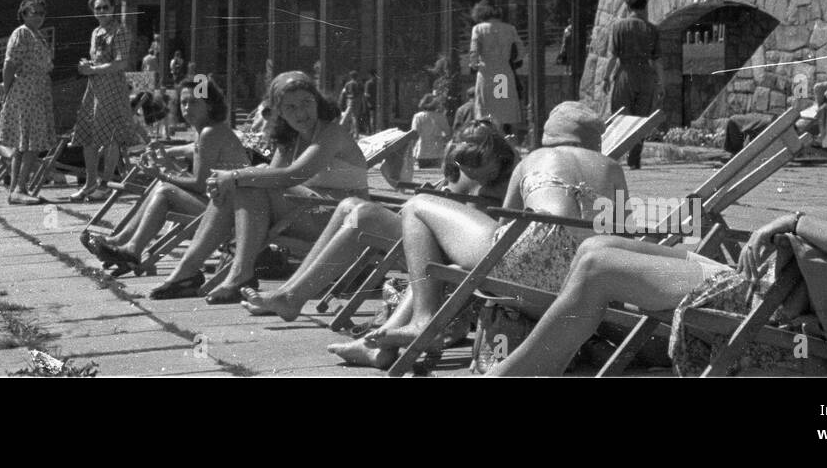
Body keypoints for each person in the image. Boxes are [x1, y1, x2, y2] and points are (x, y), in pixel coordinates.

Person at [488, 98, 827, 376]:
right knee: (596, 247)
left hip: (781, 309)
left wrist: (796, 220)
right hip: (770, 291)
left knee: (601, 265)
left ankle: (513, 376)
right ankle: (527, 371)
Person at [358, 102, 628, 365]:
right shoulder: (611, 168)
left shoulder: (535, 159)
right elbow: (619, 232)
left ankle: (422, 321)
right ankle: (387, 344)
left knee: (418, 206)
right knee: (450, 255)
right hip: (583, 285)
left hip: (523, 271)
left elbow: (504, 224)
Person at [240, 119, 517, 322]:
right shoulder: (464, 166)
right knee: (349, 205)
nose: (472, 173)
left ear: (496, 156)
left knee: (365, 214)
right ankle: (290, 292)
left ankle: (291, 298)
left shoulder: (503, 180)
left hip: (454, 252)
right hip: (431, 239)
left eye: (479, 167)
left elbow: (486, 226)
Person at [147, 71, 368, 303]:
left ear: (318, 101)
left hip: (342, 220)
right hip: (309, 212)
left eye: (306, 103)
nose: (301, 113)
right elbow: (271, 177)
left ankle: (229, 273)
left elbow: (289, 176)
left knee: (247, 183)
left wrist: (234, 176)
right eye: (291, 107)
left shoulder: (331, 133)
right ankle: (192, 270)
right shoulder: (290, 139)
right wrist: (236, 180)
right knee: (247, 184)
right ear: (279, 112)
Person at [82, 77, 247, 275]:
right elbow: (192, 149)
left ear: (210, 105)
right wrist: (167, 152)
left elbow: (200, 185)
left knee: (165, 189)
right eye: (184, 102)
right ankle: (121, 242)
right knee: (160, 185)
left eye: (194, 102)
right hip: (227, 209)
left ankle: (131, 250)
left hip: (230, 219)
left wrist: (163, 173)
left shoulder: (209, 134)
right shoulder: (210, 130)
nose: (187, 108)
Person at [70, 0, 145, 202]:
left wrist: (93, 70)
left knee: (110, 137)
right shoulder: (96, 32)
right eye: (97, 8)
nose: (101, 11)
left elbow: (121, 63)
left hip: (112, 88)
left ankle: (104, 185)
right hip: (94, 89)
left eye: (105, 7)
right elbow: (100, 59)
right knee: (88, 135)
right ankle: (90, 183)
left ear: (113, 9)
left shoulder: (120, 31)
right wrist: (87, 65)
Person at [0, 0, 56, 205]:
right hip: (26, 91)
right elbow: (10, 64)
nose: (38, 16)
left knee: (24, 143)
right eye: (33, 12)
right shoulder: (22, 32)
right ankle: (20, 187)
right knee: (31, 142)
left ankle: (15, 190)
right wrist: (7, 90)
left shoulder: (38, 35)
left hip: (37, 91)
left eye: (41, 13)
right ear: (23, 14)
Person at [602, 0, 664, 169]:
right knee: (640, 118)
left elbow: (613, 56)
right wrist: (661, 84)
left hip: (625, 74)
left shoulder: (618, 27)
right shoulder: (652, 29)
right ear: (644, 8)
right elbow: (657, 60)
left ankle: (616, 156)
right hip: (646, 75)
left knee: (620, 115)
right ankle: (634, 159)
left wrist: (606, 77)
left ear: (628, 8)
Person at [468, 0, 526, 135]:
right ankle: (504, 137)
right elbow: (521, 50)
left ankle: (488, 139)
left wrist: (475, 64)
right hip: (502, 74)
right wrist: (513, 60)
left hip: (486, 72)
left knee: (485, 110)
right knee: (502, 109)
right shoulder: (509, 28)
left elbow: (474, 51)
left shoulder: (478, 28)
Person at [406, 94, 451, 184]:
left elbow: (414, 134)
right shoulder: (441, 116)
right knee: (435, 177)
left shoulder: (418, 116)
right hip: (437, 150)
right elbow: (448, 133)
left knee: (424, 176)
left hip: (422, 150)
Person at [338, 72, 365, 138]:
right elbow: (362, 93)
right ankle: (355, 133)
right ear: (357, 76)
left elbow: (343, 93)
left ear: (350, 77)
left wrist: (341, 102)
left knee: (347, 116)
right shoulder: (359, 84)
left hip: (350, 100)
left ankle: (340, 131)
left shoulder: (347, 84)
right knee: (355, 117)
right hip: (358, 100)